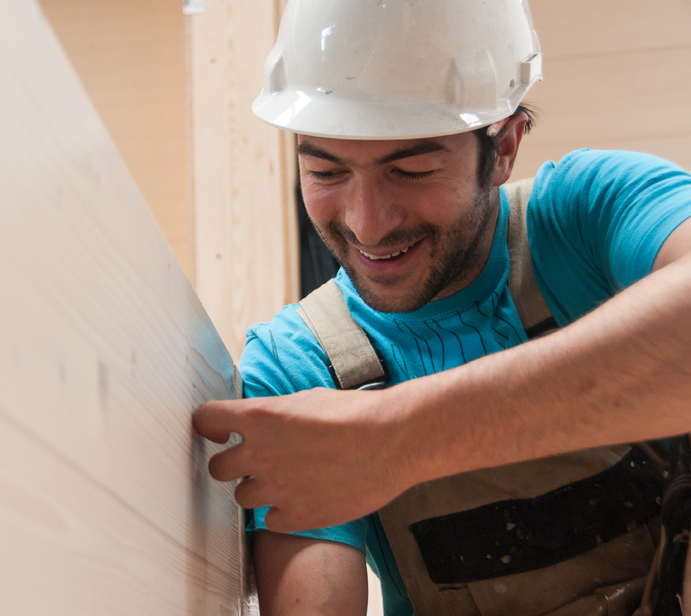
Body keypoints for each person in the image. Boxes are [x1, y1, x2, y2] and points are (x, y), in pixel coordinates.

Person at [191, 1, 691, 615]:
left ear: (503, 146)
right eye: (325, 170)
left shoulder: (591, 218)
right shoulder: (302, 367)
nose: (366, 223)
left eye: (412, 169)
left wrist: (396, 439)